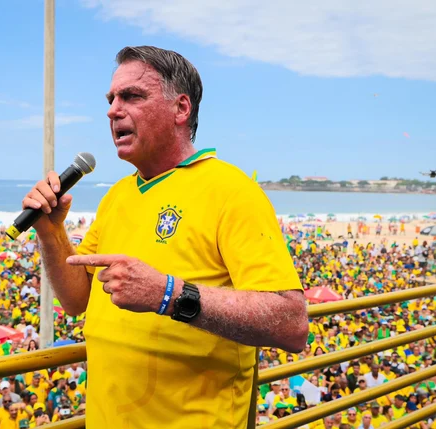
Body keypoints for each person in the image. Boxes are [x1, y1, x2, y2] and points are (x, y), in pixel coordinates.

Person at [21, 45, 308, 428]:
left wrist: (169, 295)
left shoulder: (231, 190)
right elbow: (76, 299)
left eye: (132, 96)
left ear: (181, 108)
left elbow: (290, 323)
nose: (112, 110)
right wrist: (51, 232)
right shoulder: (117, 195)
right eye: (111, 99)